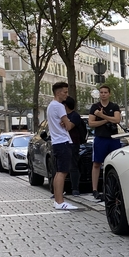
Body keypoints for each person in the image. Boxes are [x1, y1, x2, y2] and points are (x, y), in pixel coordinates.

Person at [47, 82, 78, 210]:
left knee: (59, 172)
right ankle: (60, 202)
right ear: (58, 92)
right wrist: (69, 122)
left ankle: (57, 200)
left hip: (56, 142)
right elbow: (69, 125)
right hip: (63, 141)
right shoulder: (59, 106)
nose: (67, 94)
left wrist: (64, 122)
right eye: (65, 92)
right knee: (62, 172)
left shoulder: (50, 106)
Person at [88, 85, 122, 200]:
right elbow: (91, 123)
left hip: (113, 138)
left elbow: (117, 120)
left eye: (105, 92)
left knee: (115, 163)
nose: (103, 94)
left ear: (109, 94)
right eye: (101, 92)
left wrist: (101, 115)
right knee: (97, 163)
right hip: (100, 138)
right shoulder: (94, 107)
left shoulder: (114, 106)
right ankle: (95, 189)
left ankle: (115, 187)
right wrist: (106, 119)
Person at [64, 96, 85, 196]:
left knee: (73, 166)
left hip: (73, 143)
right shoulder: (63, 115)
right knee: (61, 167)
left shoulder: (75, 116)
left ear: (66, 105)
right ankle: (60, 189)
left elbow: (69, 126)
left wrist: (63, 122)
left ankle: (75, 188)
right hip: (63, 143)